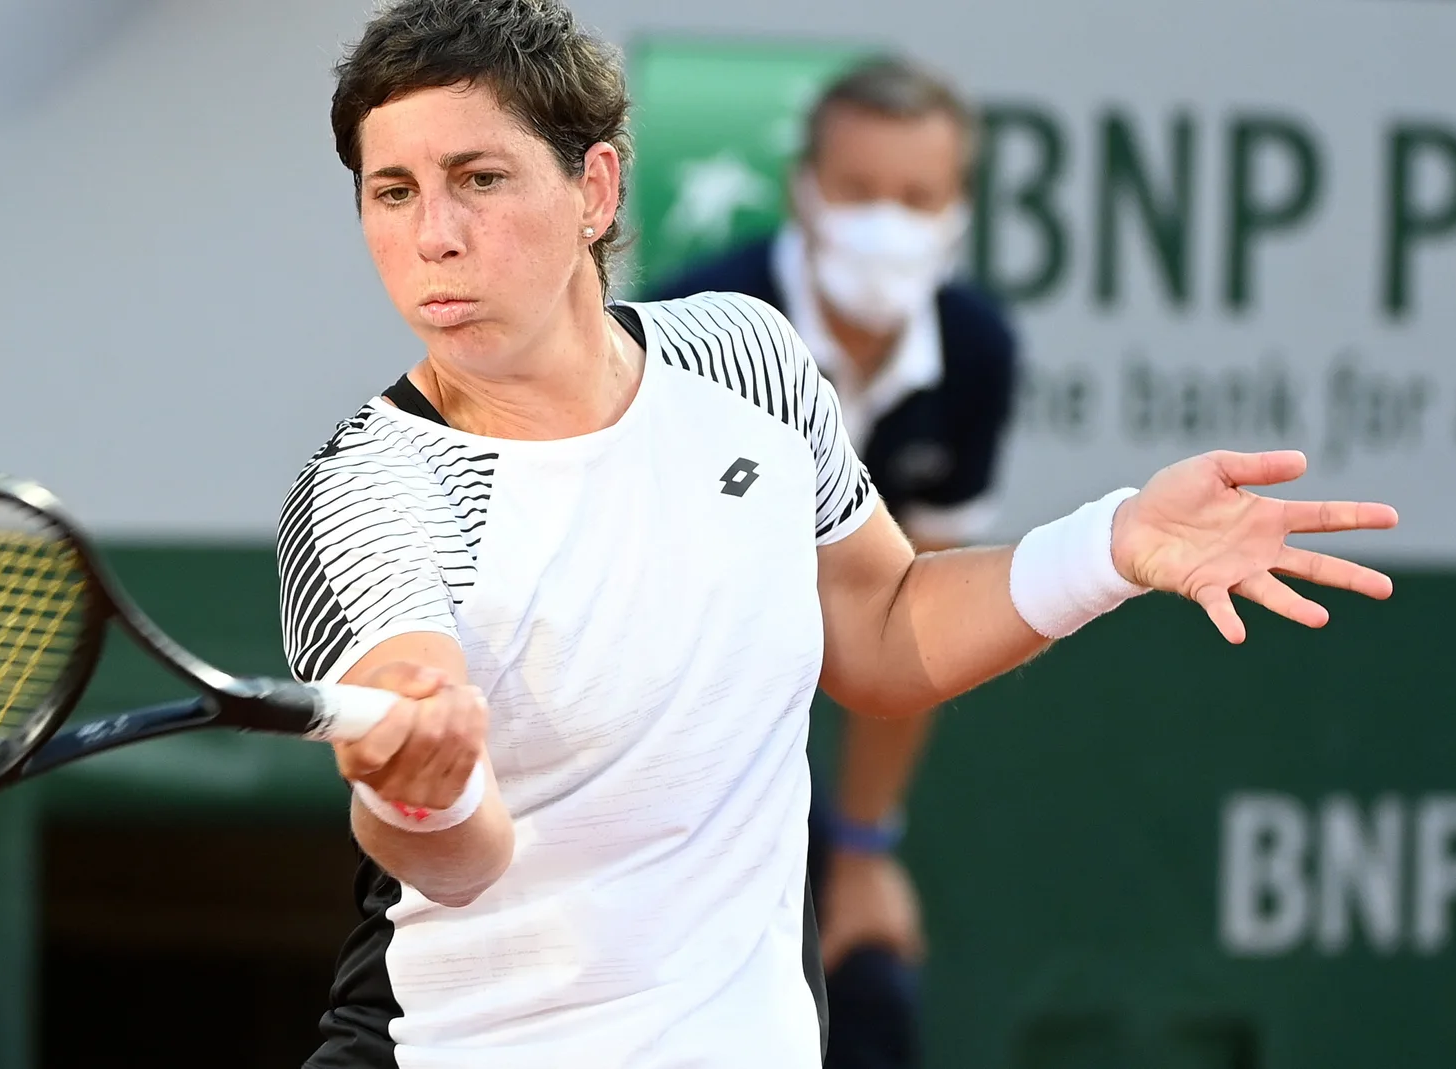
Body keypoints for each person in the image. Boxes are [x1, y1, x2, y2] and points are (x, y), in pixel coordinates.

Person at [276, 3, 1396, 1067]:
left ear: (595, 188)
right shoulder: (365, 498)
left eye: (479, 178)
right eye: (392, 190)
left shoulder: (744, 356)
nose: (433, 236)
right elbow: (455, 861)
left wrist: (1114, 545)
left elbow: (881, 628)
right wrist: (424, 789)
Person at [646, 56, 1012, 1068]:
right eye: (856, 193)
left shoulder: (978, 352)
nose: (885, 224)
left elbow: (917, 614)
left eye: (916, 197)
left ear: (959, 210)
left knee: (871, 997)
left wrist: (858, 849)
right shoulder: (688, 328)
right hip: (671, 766)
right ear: (801, 191)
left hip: (814, 766)